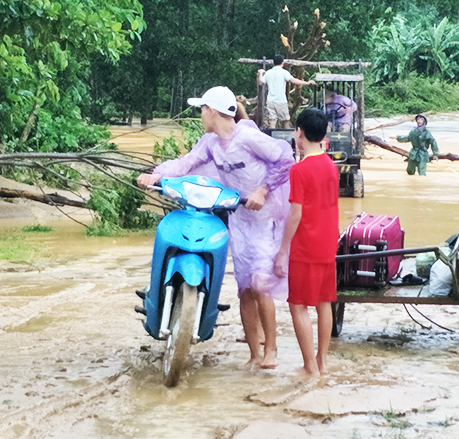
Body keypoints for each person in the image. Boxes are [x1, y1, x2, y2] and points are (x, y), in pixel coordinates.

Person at [137, 86, 295, 371]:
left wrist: (262, 190)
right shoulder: (210, 142)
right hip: (240, 219)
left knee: (261, 285)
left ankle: (271, 349)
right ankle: (254, 355)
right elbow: (187, 163)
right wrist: (156, 174)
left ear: (212, 111)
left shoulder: (247, 137)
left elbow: (284, 159)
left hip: (266, 219)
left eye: (202, 110)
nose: (200, 115)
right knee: (245, 289)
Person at [274, 108, 339, 377]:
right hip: (327, 243)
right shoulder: (332, 166)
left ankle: (309, 366)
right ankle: (322, 362)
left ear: (299, 133)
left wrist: (282, 250)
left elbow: (296, 213)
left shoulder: (299, 170)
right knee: (324, 302)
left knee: (298, 304)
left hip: (305, 245)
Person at [257, 54, 315, 129]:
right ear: (282, 62)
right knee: (286, 120)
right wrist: (307, 82)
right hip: (281, 100)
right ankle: (287, 137)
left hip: (270, 100)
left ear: (273, 63)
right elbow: (294, 81)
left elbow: (260, 82)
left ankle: (272, 138)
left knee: (272, 120)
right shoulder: (284, 72)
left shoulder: (268, 73)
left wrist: (261, 73)